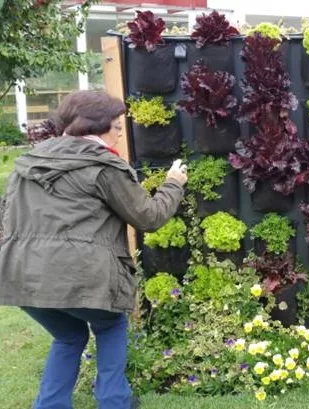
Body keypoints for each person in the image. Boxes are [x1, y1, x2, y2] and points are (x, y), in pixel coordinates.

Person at [0, 90, 187, 409]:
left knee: (69, 336)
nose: (120, 133)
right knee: (110, 325)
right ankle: (114, 401)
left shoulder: (28, 163)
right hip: (80, 274)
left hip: (21, 275)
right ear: (95, 127)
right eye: (117, 126)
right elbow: (149, 217)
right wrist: (173, 184)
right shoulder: (103, 167)